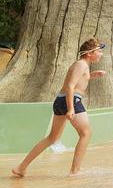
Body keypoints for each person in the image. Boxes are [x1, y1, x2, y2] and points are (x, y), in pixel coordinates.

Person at [10, 39, 106, 178]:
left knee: (52, 138)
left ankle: (21, 167)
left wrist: (92, 76)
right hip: (70, 100)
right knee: (86, 133)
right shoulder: (81, 64)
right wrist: (71, 108)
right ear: (90, 53)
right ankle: (75, 171)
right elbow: (70, 86)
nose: (101, 54)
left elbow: (77, 81)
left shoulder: (82, 65)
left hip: (61, 101)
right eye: (99, 51)